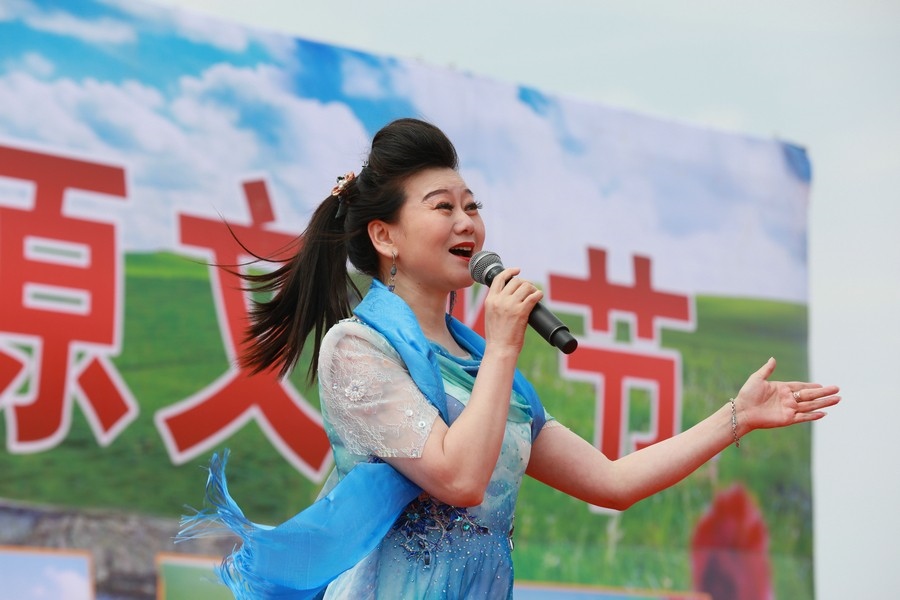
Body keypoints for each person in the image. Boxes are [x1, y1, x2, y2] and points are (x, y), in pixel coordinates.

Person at [180, 118, 840, 600]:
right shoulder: (358, 347)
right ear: (385, 236)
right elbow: (458, 477)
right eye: (443, 207)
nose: (467, 222)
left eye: (473, 207)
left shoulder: (485, 370)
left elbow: (613, 482)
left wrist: (735, 417)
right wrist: (501, 345)